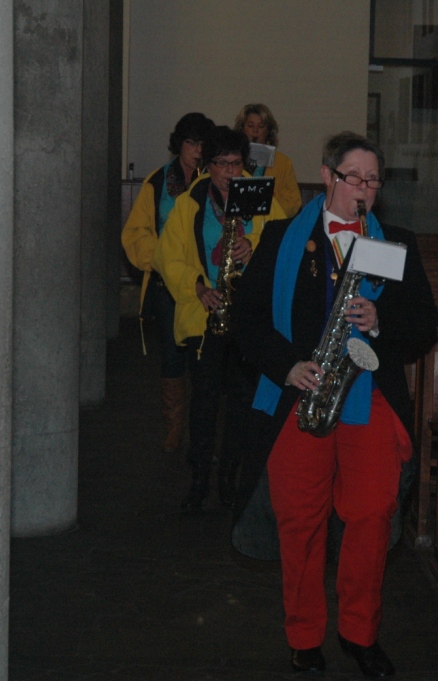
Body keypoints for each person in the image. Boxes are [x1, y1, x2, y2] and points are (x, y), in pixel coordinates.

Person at [232, 131, 438, 677]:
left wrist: (382, 320)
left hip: (369, 397)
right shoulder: (281, 238)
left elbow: (424, 324)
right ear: (327, 176)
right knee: (299, 521)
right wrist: (287, 366)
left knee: (371, 516)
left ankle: (359, 634)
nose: (363, 190)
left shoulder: (396, 244)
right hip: (301, 396)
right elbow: (246, 320)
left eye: (373, 180)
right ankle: (304, 636)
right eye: (353, 178)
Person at [153, 125, 287, 511]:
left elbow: (283, 243)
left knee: (243, 402)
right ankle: (198, 478)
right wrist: (197, 287)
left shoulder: (261, 196)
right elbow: (166, 257)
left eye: (236, 163)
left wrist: (254, 245)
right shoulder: (190, 203)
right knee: (205, 400)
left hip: (249, 317)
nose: (230, 172)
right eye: (222, 164)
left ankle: (230, 475)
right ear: (207, 165)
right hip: (206, 314)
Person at [121, 112, 215, 454]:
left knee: (205, 362)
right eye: (191, 143)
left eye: (203, 144)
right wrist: (162, 258)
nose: (197, 150)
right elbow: (135, 233)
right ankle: (174, 429)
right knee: (173, 360)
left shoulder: (215, 180)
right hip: (168, 287)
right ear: (179, 144)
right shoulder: (159, 182)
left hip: (207, 286)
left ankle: (202, 432)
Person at [234, 103, 302, 217]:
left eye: (261, 126)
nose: (255, 131)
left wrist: (269, 201)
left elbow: (294, 202)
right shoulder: (232, 158)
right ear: (242, 128)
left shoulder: (283, 162)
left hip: (270, 220)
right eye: (250, 126)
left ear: (268, 130)